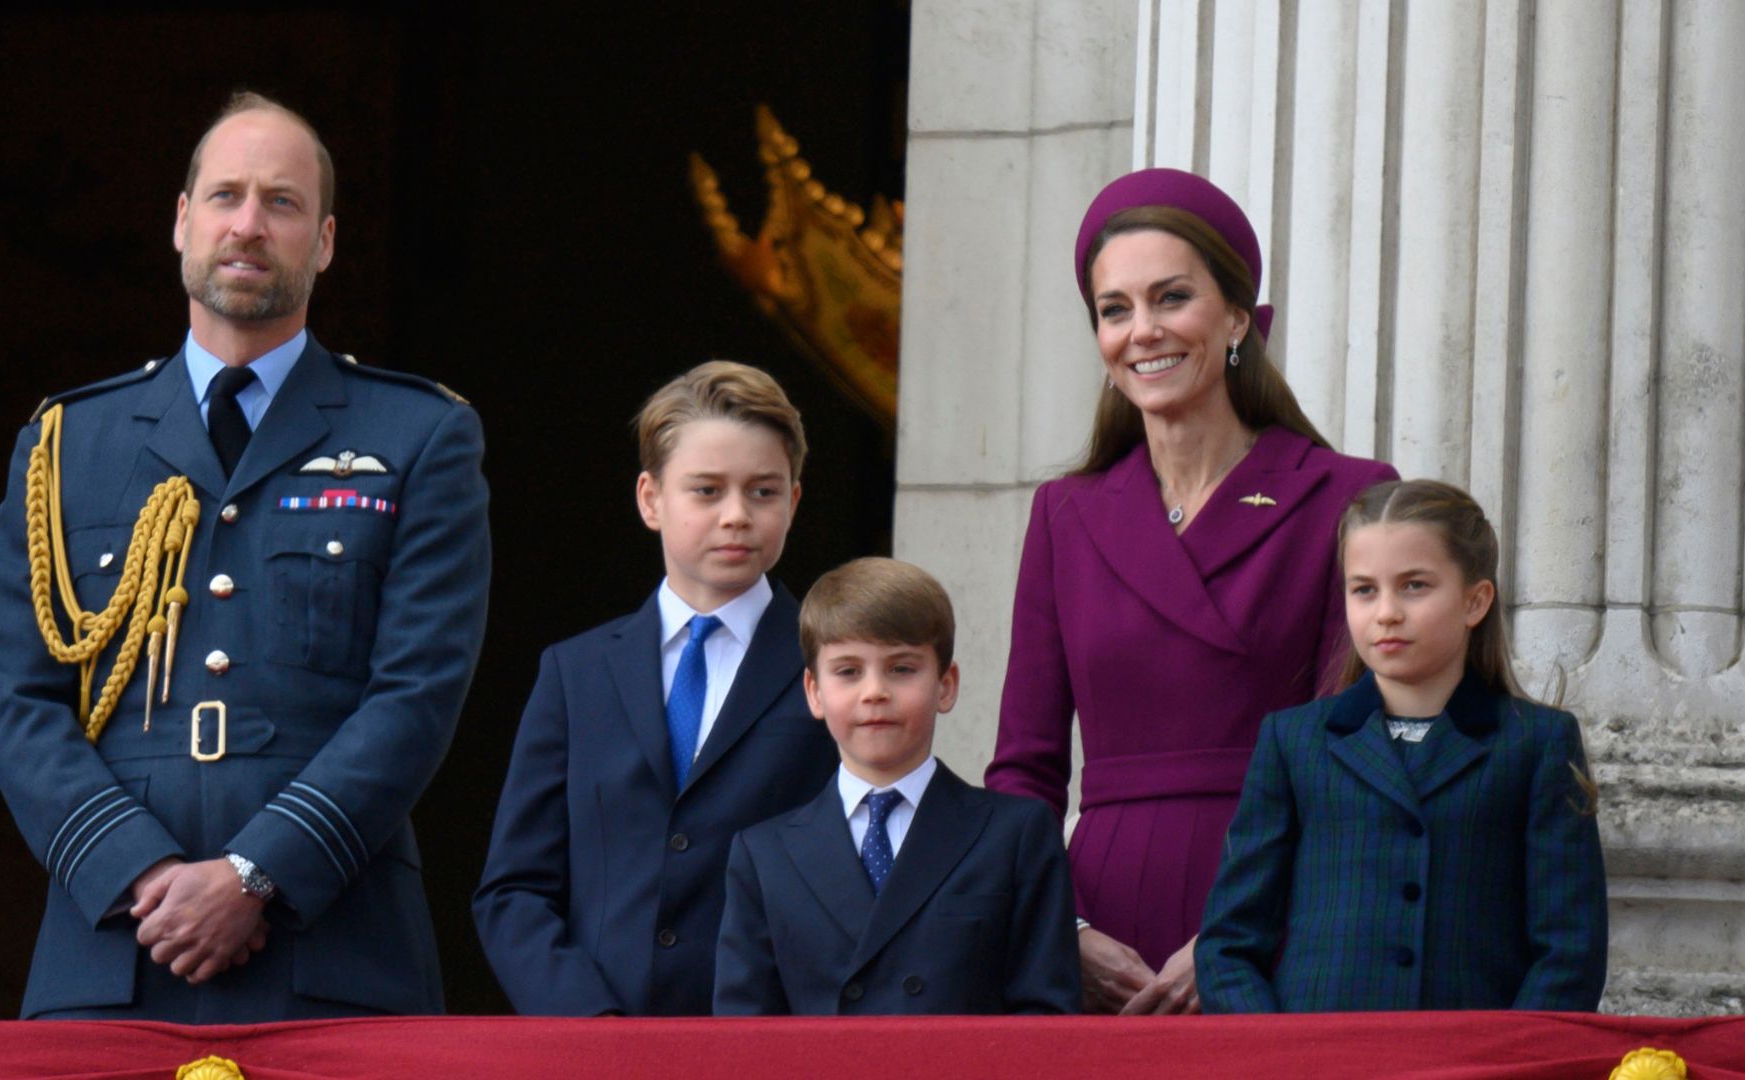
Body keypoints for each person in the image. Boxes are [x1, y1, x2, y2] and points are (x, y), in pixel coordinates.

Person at [0, 92, 491, 1022]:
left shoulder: (420, 435)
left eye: (282, 203)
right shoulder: (66, 444)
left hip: (335, 952)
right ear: (182, 222)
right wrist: (140, 871)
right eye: (226, 197)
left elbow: (417, 693)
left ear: (325, 241)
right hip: (116, 951)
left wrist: (258, 873)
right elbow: (17, 697)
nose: (249, 225)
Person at [984, 168, 1398, 1015]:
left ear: (1238, 316)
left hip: (1277, 905)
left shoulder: (1343, 496)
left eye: (1171, 298)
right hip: (1104, 931)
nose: (1143, 332)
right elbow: (1023, 769)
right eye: (1115, 309)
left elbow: (1360, 755)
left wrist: (1243, 936)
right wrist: (1059, 928)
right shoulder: (1066, 514)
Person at [474, 361, 839, 1016]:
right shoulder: (574, 672)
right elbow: (513, 891)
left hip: (766, 1047)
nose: (736, 515)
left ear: (794, 501)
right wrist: (591, 1025)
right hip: (597, 1046)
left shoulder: (832, 669)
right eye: (706, 490)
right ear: (651, 499)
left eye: (763, 492)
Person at [1196, 479, 1608, 1011]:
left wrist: (1510, 1061)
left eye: (1414, 586)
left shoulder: (1537, 743)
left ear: (1475, 600)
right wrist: (1279, 1056)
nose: (1386, 611)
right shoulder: (1294, 741)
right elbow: (1229, 944)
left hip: (1475, 1066)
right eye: (1364, 589)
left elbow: (1570, 950)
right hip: (1319, 1064)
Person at [713, 557, 1080, 1015]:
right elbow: (745, 1039)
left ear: (946, 685)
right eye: (847, 671)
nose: (874, 692)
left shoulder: (1016, 834)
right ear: (813, 692)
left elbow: (1044, 1015)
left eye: (902, 669)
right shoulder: (763, 855)